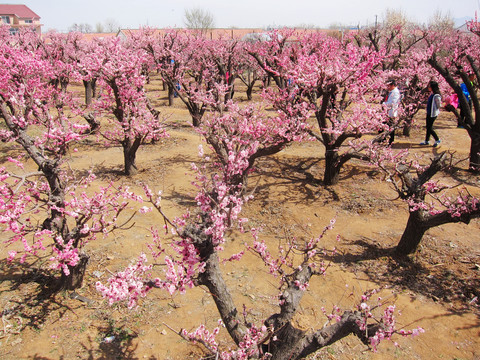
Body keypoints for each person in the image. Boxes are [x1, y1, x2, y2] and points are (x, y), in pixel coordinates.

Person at [420, 80, 441, 147]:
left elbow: (438, 105)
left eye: (429, 86)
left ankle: (437, 139)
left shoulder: (437, 95)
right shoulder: (432, 94)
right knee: (428, 127)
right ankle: (427, 140)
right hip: (429, 112)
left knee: (429, 127)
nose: (428, 88)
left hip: (433, 114)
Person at [382, 79, 401, 145]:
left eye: (389, 86)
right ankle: (383, 139)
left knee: (391, 127)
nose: (388, 87)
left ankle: (390, 141)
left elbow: (393, 103)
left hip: (391, 112)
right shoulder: (392, 92)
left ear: (393, 85)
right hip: (387, 111)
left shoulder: (395, 92)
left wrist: (384, 103)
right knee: (383, 125)